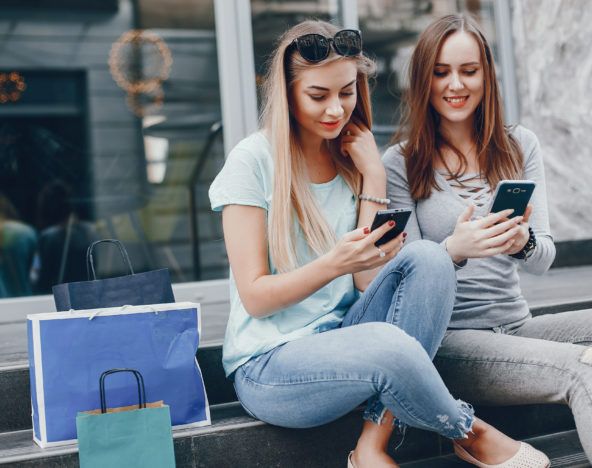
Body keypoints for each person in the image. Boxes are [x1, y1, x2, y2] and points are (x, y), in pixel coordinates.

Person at [210, 19, 546, 468]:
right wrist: (332, 264)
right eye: (318, 95)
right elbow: (255, 298)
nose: (335, 110)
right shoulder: (252, 161)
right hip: (272, 369)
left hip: (350, 341)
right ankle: (469, 430)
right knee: (390, 346)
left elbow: (369, 280)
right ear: (287, 93)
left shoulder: (354, 159)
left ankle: (371, 445)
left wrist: (372, 177)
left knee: (430, 257)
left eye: (346, 93)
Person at [384, 12, 590, 463]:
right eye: (441, 72)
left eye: (468, 71)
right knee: (583, 372)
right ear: (423, 80)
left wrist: (523, 243)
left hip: (516, 324)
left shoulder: (519, 145)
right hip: (452, 341)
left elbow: (544, 258)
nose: (455, 84)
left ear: (487, 76)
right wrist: (454, 251)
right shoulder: (400, 162)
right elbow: (407, 279)